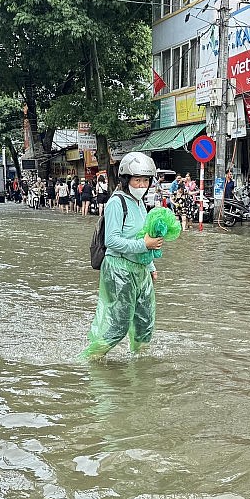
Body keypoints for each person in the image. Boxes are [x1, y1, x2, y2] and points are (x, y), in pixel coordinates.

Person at [84, 151, 163, 360]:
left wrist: (151, 267)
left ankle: (139, 362)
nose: (142, 185)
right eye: (137, 180)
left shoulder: (140, 205)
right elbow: (112, 241)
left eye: (146, 180)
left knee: (145, 321)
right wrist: (144, 244)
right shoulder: (116, 203)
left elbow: (144, 236)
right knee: (118, 324)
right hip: (119, 269)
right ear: (126, 179)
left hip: (140, 270)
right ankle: (90, 359)